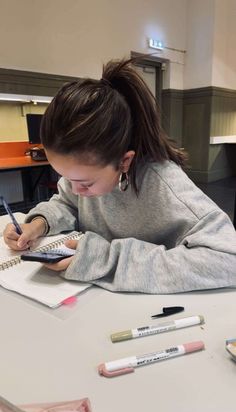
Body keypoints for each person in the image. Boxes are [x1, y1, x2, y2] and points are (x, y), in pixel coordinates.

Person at [3, 58, 236, 293]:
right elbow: (67, 203)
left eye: (85, 183)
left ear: (124, 161)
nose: (74, 190)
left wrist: (104, 260)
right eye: (66, 178)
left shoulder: (165, 186)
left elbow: (229, 260)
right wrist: (39, 224)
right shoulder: (87, 175)